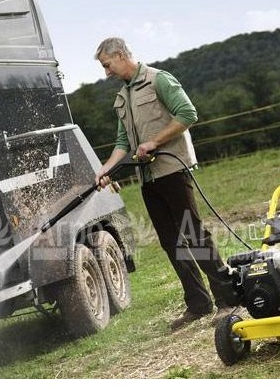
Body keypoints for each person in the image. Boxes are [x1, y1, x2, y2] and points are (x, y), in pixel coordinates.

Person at [93, 37, 235, 331]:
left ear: (120, 55)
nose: (106, 73)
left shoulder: (159, 80)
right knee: (171, 242)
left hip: (173, 170)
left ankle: (227, 299)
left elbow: (188, 114)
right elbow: (122, 143)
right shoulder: (123, 96)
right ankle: (198, 303)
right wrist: (105, 170)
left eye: (107, 65)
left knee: (194, 235)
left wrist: (155, 142)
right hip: (148, 178)